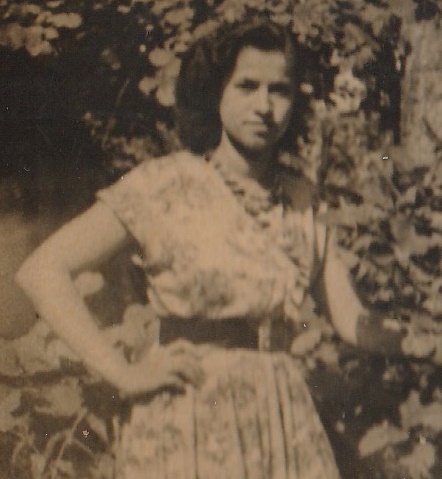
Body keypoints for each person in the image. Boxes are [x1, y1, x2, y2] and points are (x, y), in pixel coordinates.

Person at [16, 19, 440, 479]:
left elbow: (351, 319)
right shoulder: (164, 184)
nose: (264, 107)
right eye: (247, 86)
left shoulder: (300, 198)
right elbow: (43, 270)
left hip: (281, 421)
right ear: (216, 91)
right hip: (190, 415)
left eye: (279, 90)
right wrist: (121, 373)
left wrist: (423, 342)